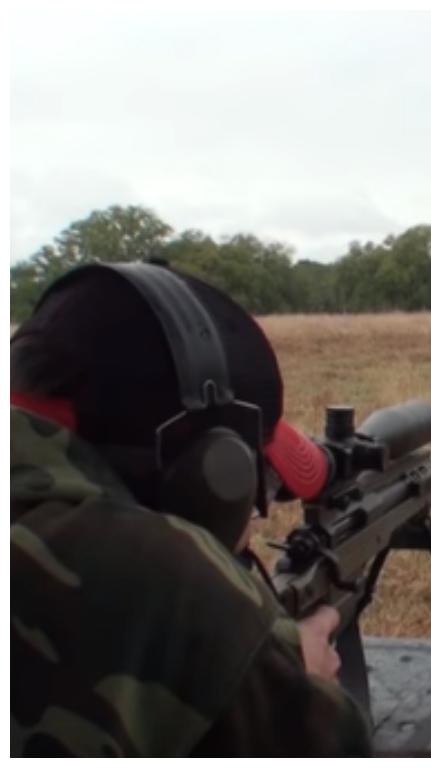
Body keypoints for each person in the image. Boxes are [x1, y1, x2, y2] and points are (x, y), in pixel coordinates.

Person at [11, 261, 373, 756]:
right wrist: (296, 672)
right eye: (258, 482)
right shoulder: (168, 582)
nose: (258, 508)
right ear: (200, 480)